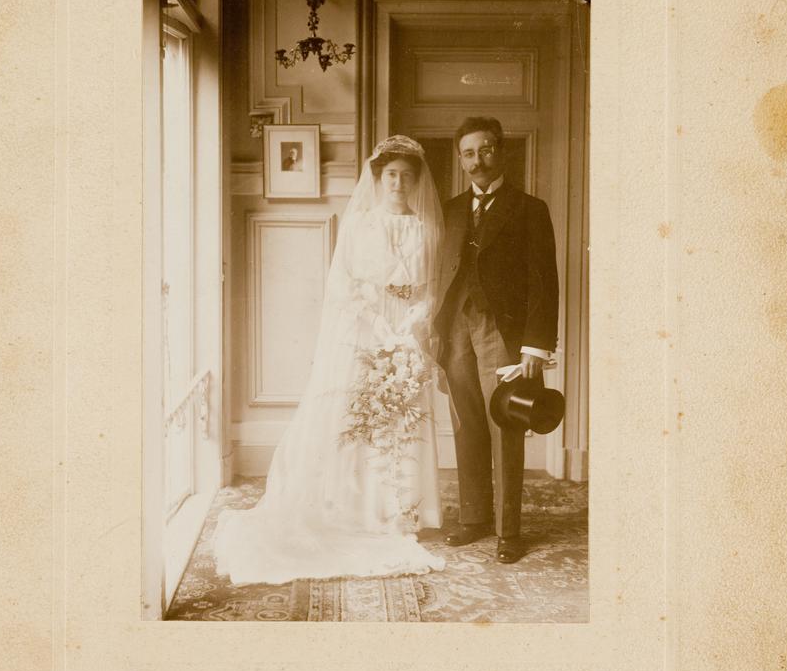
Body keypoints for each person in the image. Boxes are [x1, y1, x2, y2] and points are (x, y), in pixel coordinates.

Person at [213, 135, 446, 585]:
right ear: (378, 179)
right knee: (359, 417)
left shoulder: (426, 228)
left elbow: (432, 285)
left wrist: (415, 318)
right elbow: (345, 283)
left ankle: (398, 511)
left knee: (402, 418)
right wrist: (377, 325)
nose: (398, 183)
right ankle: (355, 510)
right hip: (365, 329)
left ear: (417, 181)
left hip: (407, 330)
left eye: (406, 176)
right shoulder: (361, 225)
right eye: (391, 175)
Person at [434, 116, 559, 564]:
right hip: (455, 330)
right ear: (460, 160)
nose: (477, 161)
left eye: (485, 150)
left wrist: (534, 347)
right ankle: (474, 518)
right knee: (466, 423)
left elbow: (544, 283)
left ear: (500, 152)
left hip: (500, 333)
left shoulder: (530, 209)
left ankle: (509, 530)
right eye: (468, 153)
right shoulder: (449, 210)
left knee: (505, 423)